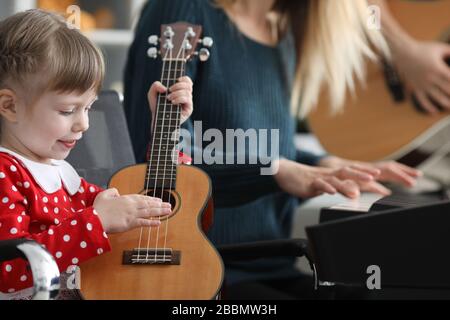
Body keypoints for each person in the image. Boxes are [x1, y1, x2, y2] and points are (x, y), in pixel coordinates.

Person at [124, 0, 421, 299]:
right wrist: (275, 172)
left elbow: (260, 146)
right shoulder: (181, 10)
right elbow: (155, 158)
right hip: (200, 270)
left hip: (274, 263)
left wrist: (326, 164)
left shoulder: (282, 31)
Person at [0, 9, 193, 299]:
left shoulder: (59, 173)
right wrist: (96, 223)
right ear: (10, 106)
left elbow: (142, 200)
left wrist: (166, 131)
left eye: (88, 107)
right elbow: (9, 270)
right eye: (67, 110)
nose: (84, 124)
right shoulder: (5, 173)